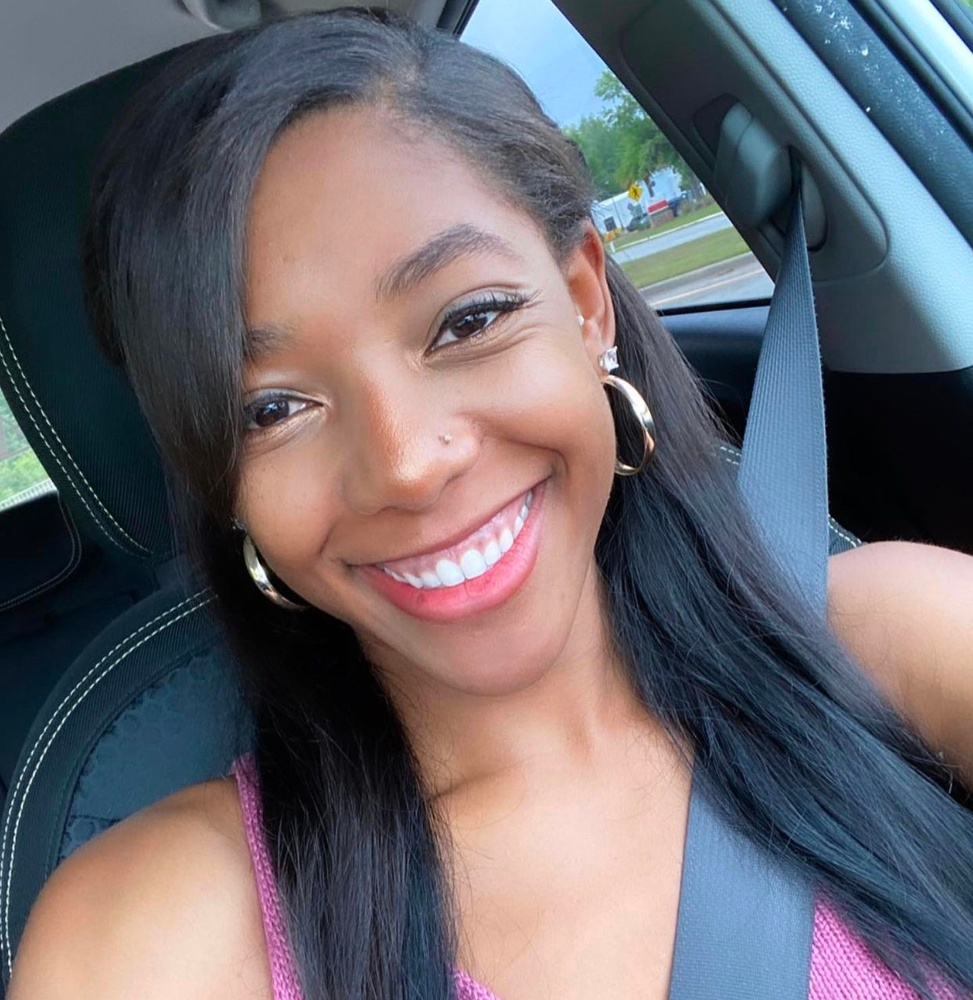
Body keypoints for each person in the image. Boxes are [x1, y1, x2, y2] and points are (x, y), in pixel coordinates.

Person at [9, 10, 973, 999]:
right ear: (225, 485)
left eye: (468, 320)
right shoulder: (153, 926)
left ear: (585, 302)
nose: (406, 466)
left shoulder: (893, 637)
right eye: (271, 409)